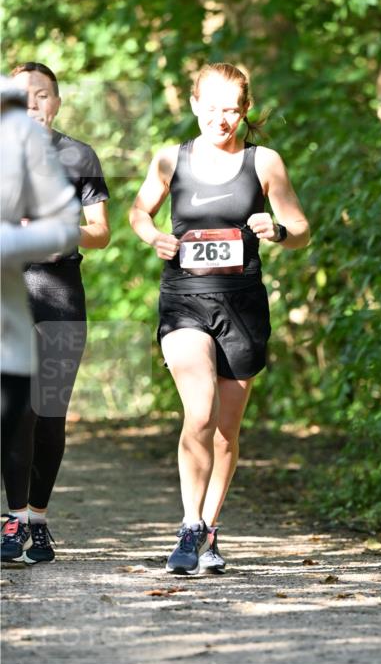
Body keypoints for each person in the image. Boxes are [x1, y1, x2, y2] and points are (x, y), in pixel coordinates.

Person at [129, 62, 310, 576]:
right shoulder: (171, 160)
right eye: (212, 108)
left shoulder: (264, 162)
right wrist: (152, 236)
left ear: (245, 109)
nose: (222, 119)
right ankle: (188, 525)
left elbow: (301, 229)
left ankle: (209, 528)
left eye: (232, 109)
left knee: (227, 431)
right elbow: (139, 211)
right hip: (184, 300)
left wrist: (275, 229)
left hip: (243, 306)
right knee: (201, 411)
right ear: (193, 106)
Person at [1, 63, 110, 566]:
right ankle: (13, 518)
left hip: (61, 292)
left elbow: (101, 231)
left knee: (48, 415)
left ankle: (38, 522)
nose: (33, 104)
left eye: (43, 96)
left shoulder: (77, 155)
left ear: (57, 102)